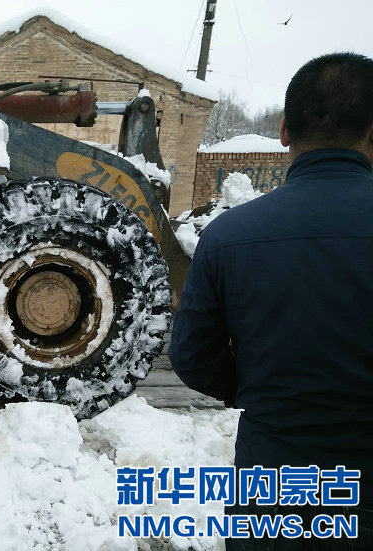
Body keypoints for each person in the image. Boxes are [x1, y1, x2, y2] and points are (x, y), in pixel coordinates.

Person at [169, 52, 373, 549]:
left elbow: (192, 356)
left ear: (283, 130)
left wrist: (259, 393)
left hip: (273, 485)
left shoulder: (228, 236)